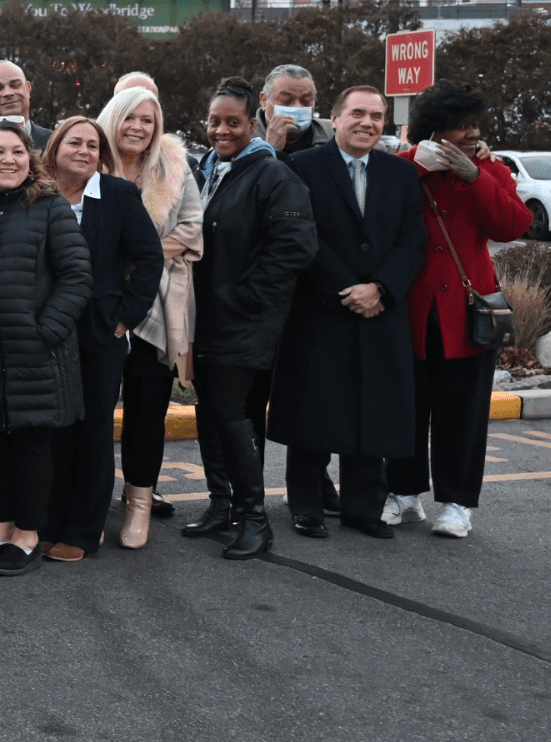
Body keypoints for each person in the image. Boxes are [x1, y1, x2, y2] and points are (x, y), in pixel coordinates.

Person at [267, 86, 426, 541]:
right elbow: (301, 235)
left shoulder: (401, 175)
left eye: (376, 116)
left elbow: (411, 242)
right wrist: (346, 289)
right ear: (333, 119)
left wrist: (380, 288)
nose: (368, 123)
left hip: (380, 309)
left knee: (373, 411)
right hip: (321, 309)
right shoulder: (302, 166)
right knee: (314, 412)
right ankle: (307, 507)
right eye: (358, 113)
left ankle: (363, 508)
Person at [387, 80, 531, 537]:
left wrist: (476, 176)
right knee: (407, 408)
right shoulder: (404, 167)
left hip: (468, 314)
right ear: (434, 131)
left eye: (473, 125)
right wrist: (420, 171)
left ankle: (457, 504)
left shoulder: (493, 170)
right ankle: (404, 494)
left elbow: (512, 226)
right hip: (412, 308)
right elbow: (381, 215)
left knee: (463, 413)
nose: (470, 134)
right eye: (459, 127)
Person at [0, 122, 93, 577]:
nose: (8, 160)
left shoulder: (48, 208)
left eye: (17, 151)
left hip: (36, 353)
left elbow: (77, 277)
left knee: (31, 446)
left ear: (30, 159)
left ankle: (28, 537)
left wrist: (45, 331)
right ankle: (1, 529)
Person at [184, 77, 318, 560]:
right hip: (206, 317)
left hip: (243, 320)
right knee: (210, 412)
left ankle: (255, 519)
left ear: (253, 122)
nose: (222, 130)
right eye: (215, 122)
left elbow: (295, 247)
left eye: (233, 122)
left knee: (230, 412)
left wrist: (245, 299)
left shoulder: (271, 174)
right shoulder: (209, 170)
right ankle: (222, 505)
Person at [42, 116, 164, 562]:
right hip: (45, 332)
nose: (84, 151)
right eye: (74, 142)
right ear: (55, 148)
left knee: (92, 431)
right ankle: (48, 522)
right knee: (52, 430)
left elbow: (149, 258)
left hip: (99, 332)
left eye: (93, 146)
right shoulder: (37, 193)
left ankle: (82, 529)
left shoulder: (117, 195)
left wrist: (125, 317)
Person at [96, 84, 203, 545]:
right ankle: (89, 502)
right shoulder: (89, 159)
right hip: (97, 302)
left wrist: (140, 252)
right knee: (94, 411)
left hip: (158, 304)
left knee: (147, 410)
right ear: (113, 117)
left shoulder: (175, 165)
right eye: (130, 117)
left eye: (148, 120)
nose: (138, 127)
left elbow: (193, 228)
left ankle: (139, 502)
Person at [260, 63, 333, 158]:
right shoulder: (243, 136)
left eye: (305, 101)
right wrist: (270, 149)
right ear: (264, 100)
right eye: (286, 100)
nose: (297, 107)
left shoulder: (335, 134)